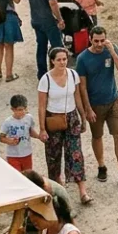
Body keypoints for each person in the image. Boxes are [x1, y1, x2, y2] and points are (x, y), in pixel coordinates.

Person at [77, 26, 118, 186]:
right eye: (96, 41)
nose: (99, 44)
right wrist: (87, 109)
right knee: (97, 136)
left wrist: (112, 51)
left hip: (112, 100)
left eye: (102, 40)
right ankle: (101, 165)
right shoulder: (83, 59)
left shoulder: (111, 49)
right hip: (95, 104)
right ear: (90, 39)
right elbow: (82, 87)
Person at [39, 47, 91, 203]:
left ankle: (82, 191)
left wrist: (83, 117)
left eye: (64, 59)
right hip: (53, 118)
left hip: (71, 117)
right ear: (52, 61)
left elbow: (77, 96)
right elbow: (41, 105)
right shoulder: (46, 79)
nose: (62, 62)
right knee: (54, 156)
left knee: (76, 153)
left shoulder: (73, 74)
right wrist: (42, 128)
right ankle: (57, 191)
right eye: (59, 59)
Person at [28, 0, 67, 78]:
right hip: (48, 20)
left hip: (36, 19)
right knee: (57, 47)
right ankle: (59, 72)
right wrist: (60, 19)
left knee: (41, 46)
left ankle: (42, 73)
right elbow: (53, 3)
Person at [2, 93, 39, 171]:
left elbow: (30, 130)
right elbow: (1, 138)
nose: (22, 112)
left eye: (24, 109)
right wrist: (10, 141)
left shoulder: (29, 118)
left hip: (27, 153)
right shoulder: (8, 122)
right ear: (12, 109)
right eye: (19, 110)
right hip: (13, 155)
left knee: (28, 177)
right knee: (17, 177)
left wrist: (39, 136)